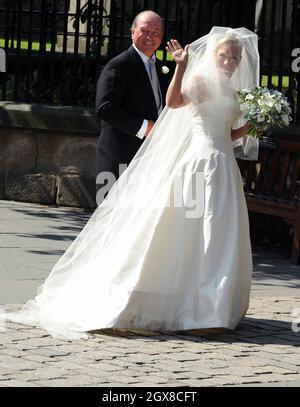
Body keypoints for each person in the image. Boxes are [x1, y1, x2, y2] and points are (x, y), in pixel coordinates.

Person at [3, 27, 260, 339]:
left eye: (235, 57)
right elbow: (174, 102)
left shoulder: (232, 91)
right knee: (191, 229)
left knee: (219, 230)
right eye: (225, 55)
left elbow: (228, 133)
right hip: (200, 163)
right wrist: (180, 66)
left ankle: (214, 305)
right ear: (213, 55)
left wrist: (252, 125)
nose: (231, 61)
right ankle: (185, 303)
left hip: (224, 166)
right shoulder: (200, 80)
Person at [95, 10, 170, 199]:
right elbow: (104, 108)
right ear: (133, 32)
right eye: (144, 30)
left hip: (151, 159)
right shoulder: (119, 65)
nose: (150, 37)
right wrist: (146, 127)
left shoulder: (163, 69)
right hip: (120, 157)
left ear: (161, 36)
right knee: (111, 218)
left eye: (156, 32)